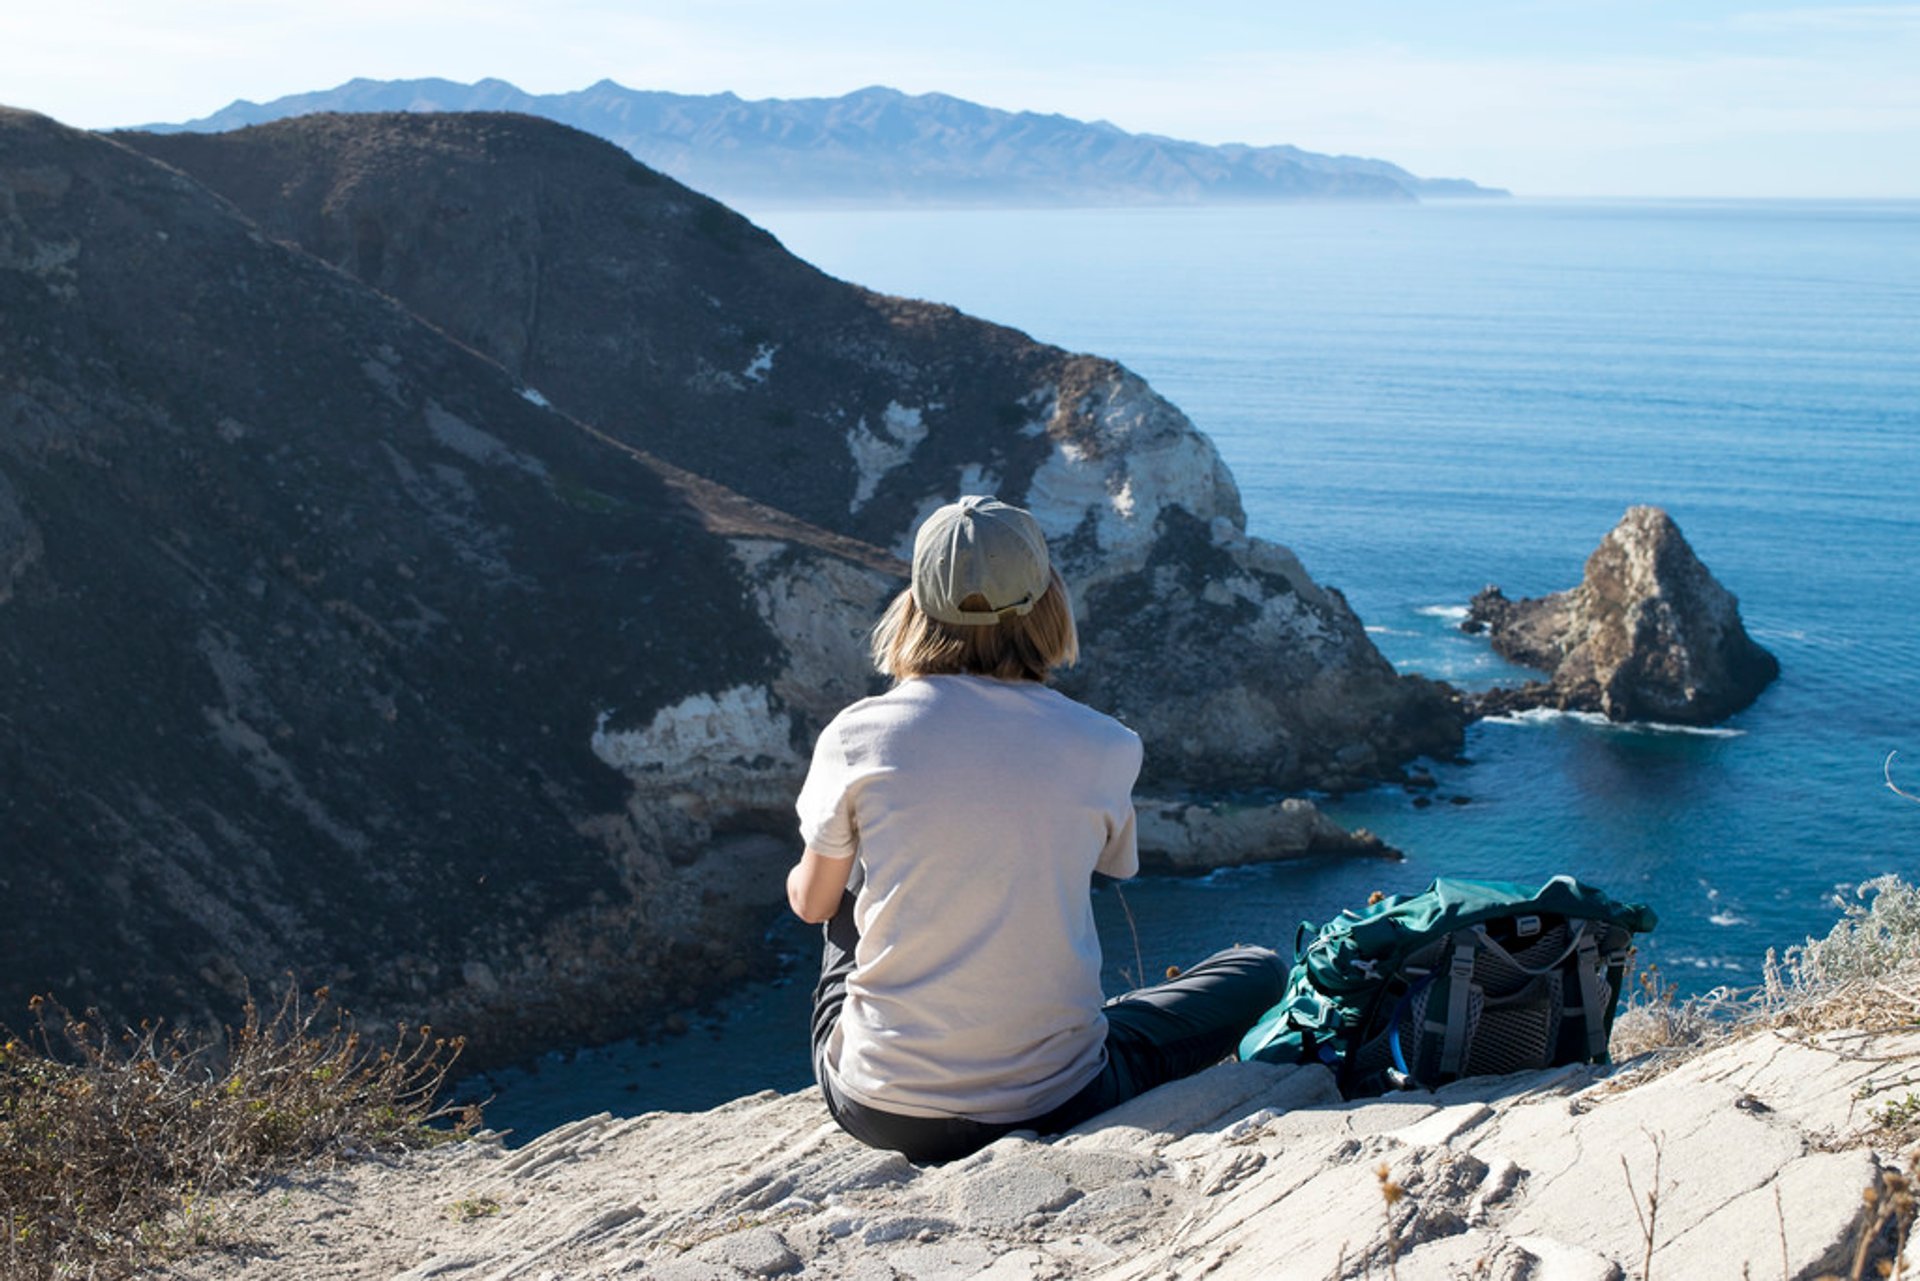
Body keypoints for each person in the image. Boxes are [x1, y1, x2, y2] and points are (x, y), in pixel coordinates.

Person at [789, 495, 1288, 1164]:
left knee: (846, 870)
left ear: (914, 604)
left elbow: (813, 905)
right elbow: (1112, 866)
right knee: (1259, 969)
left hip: (883, 1110)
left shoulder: (856, 735)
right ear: (1049, 599)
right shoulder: (1106, 744)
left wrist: (842, 856)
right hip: (1061, 1095)